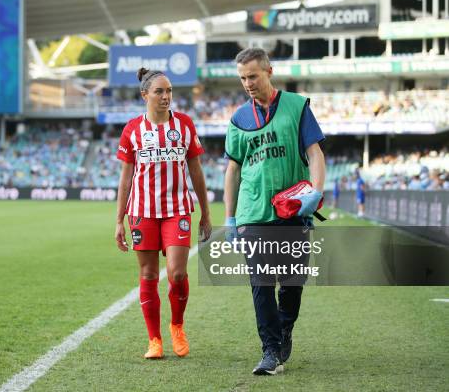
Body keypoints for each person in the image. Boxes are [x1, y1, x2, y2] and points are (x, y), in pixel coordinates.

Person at [224, 48, 326, 375]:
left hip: (294, 211)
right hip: (253, 212)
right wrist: (231, 218)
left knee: (293, 282)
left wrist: (316, 192)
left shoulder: (297, 107)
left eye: (253, 76)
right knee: (261, 282)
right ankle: (269, 349)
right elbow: (232, 170)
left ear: (269, 71)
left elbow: (316, 153)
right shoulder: (239, 119)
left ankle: (285, 329)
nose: (248, 83)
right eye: (242, 78)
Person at [115, 68, 212, 359]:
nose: (166, 96)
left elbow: (196, 170)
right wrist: (118, 220)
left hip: (177, 209)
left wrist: (205, 213)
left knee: (178, 272)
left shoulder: (184, 125)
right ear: (145, 94)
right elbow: (126, 178)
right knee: (147, 273)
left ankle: (177, 326)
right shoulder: (133, 130)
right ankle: (154, 340)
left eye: (169, 91)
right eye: (159, 91)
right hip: (142, 211)